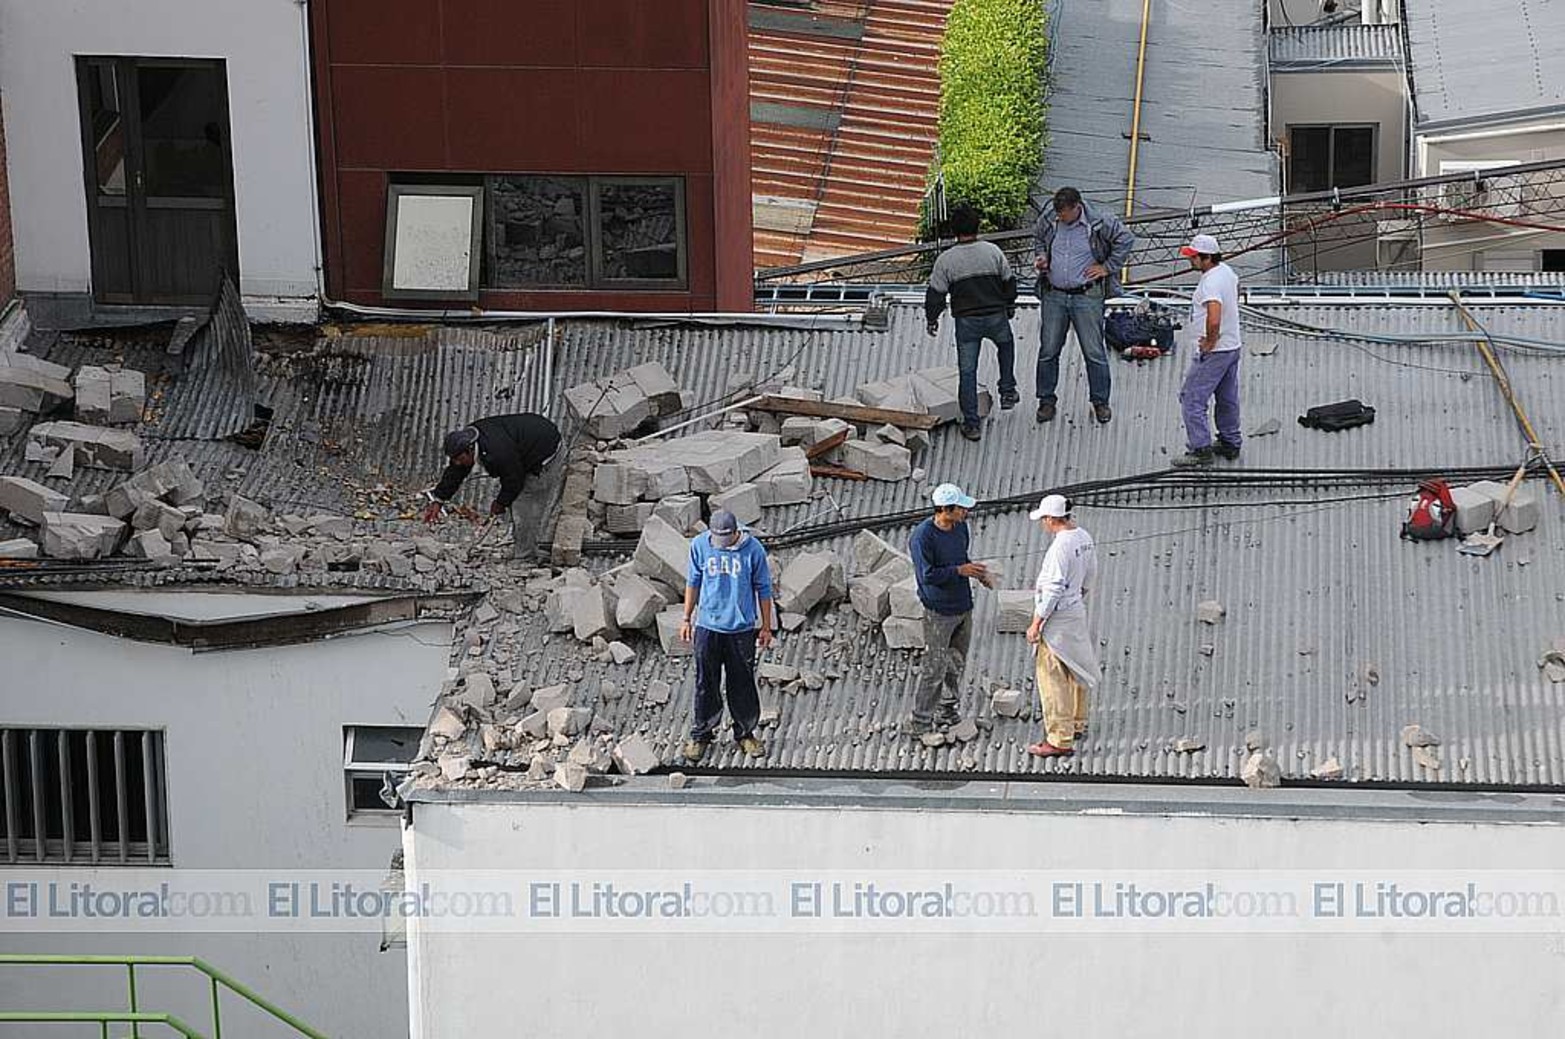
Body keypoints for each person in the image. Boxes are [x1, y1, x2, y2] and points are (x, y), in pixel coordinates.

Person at [1031, 187, 1136, 425]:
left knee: (1094, 352)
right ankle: (1046, 401)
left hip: (1087, 296)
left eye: (1065, 214)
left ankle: (1100, 402)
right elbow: (1037, 238)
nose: (1061, 218)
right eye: (1058, 214)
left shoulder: (1099, 221)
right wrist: (1041, 257)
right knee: (1048, 351)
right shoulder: (1049, 218)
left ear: (1077, 207)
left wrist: (1107, 267)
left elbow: (1126, 240)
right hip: (1054, 295)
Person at [678, 509, 775, 762]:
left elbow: (763, 588)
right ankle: (701, 734)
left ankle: (745, 733)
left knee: (742, 683)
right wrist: (687, 618)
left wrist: (766, 626)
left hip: (741, 629)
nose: (721, 544)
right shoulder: (700, 545)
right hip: (708, 627)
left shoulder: (753, 550)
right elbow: (693, 581)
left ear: (736, 533)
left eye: (726, 539)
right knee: (705, 683)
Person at [925, 204, 1020, 441]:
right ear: (977, 226)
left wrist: (932, 319)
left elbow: (935, 294)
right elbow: (1009, 283)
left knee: (968, 372)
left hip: (966, 322)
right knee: (1006, 346)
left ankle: (972, 424)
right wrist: (1009, 305)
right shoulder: (993, 251)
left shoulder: (946, 260)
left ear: (954, 230)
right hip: (996, 315)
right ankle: (1007, 390)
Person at [907, 483, 993, 735]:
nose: (965, 512)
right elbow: (927, 575)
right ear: (946, 509)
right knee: (934, 667)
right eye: (961, 508)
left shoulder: (960, 528)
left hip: (962, 606)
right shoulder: (923, 537)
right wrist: (959, 571)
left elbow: (961, 558)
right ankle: (921, 723)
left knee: (956, 662)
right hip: (939, 612)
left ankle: (948, 711)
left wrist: (977, 573)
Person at [421, 413, 563, 561]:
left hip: (547, 453)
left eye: (459, 459)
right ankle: (522, 547)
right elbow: (456, 472)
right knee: (516, 502)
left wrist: (500, 503)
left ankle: (526, 557)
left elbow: (514, 480)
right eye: (454, 459)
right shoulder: (470, 439)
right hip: (525, 447)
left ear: (469, 450)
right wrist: (439, 499)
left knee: (524, 506)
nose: (457, 463)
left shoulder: (498, 452)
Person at [1024, 494, 1100, 758]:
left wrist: (1036, 622)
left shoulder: (1060, 547)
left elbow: (1053, 588)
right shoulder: (1083, 537)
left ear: (1051, 518)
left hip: (1057, 617)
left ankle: (1059, 739)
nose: (1043, 523)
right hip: (1076, 611)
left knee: (1052, 676)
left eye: (1044, 518)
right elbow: (1091, 573)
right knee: (1076, 667)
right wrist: (1079, 595)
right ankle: (1077, 723)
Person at [1173, 233, 1244, 467]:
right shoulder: (1226, 272)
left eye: (1194, 257)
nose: (1190, 261)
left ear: (1206, 258)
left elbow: (1214, 317)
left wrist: (1210, 342)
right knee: (1226, 397)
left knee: (1191, 398)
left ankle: (1200, 449)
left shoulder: (1211, 282)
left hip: (1216, 351)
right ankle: (1230, 441)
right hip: (1232, 346)